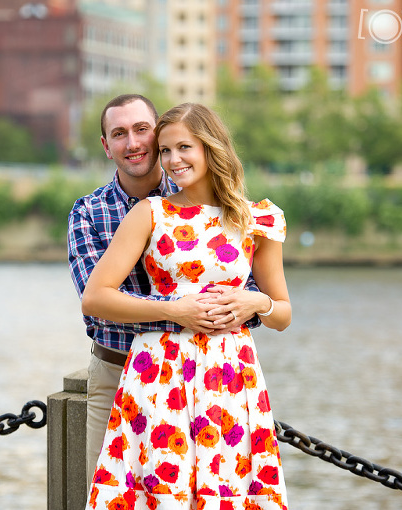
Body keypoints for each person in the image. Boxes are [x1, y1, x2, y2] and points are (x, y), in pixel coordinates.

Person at [82, 103, 291, 509]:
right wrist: (173, 310)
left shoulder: (258, 220)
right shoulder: (150, 213)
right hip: (160, 376)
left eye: (184, 147)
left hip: (231, 380)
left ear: (211, 148)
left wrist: (256, 301)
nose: (173, 160)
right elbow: (96, 296)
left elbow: (283, 313)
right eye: (165, 151)